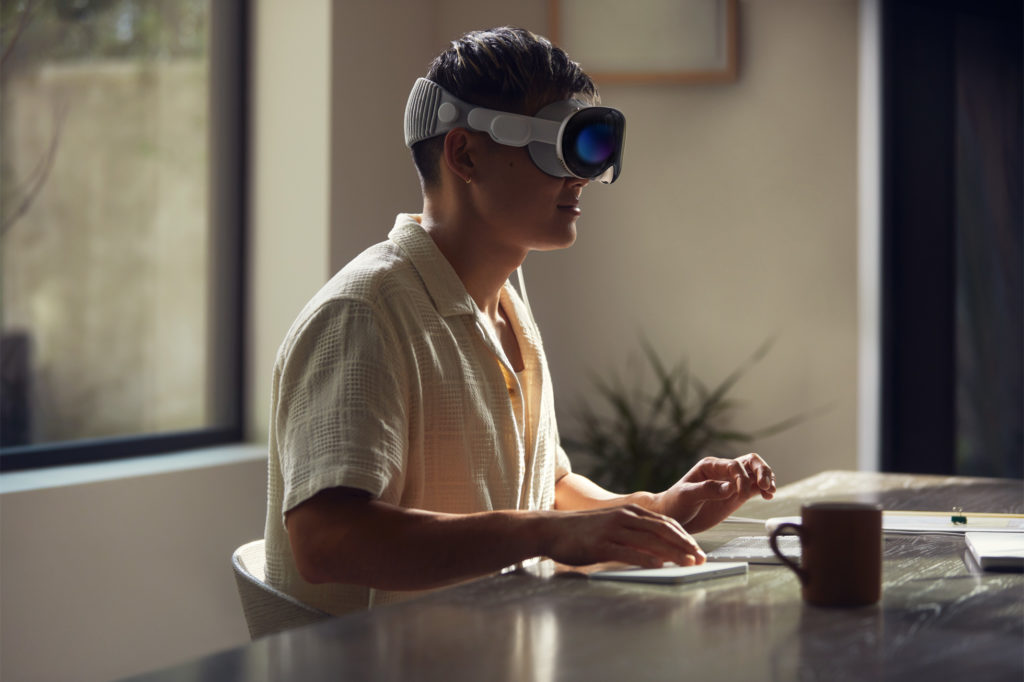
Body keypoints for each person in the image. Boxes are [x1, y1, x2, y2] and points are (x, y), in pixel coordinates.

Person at [264, 27, 776, 615]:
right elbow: (328, 543)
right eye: (559, 146)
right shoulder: (364, 316)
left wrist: (651, 512)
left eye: (592, 148)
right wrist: (544, 534)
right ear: (465, 154)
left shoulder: (504, 301)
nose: (582, 175)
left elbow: (544, 489)